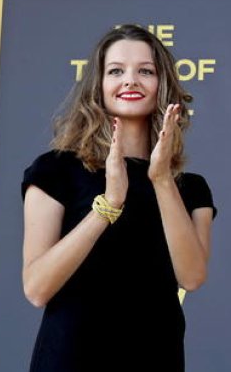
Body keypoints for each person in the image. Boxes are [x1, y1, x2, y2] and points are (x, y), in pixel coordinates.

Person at [20, 24, 215, 372]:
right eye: (116, 71)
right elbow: (37, 288)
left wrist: (161, 180)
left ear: (162, 85)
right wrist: (108, 206)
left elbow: (192, 277)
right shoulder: (56, 170)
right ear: (99, 86)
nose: (130, 81)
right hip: (70, 359)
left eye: (145, 71)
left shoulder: (190, 187)